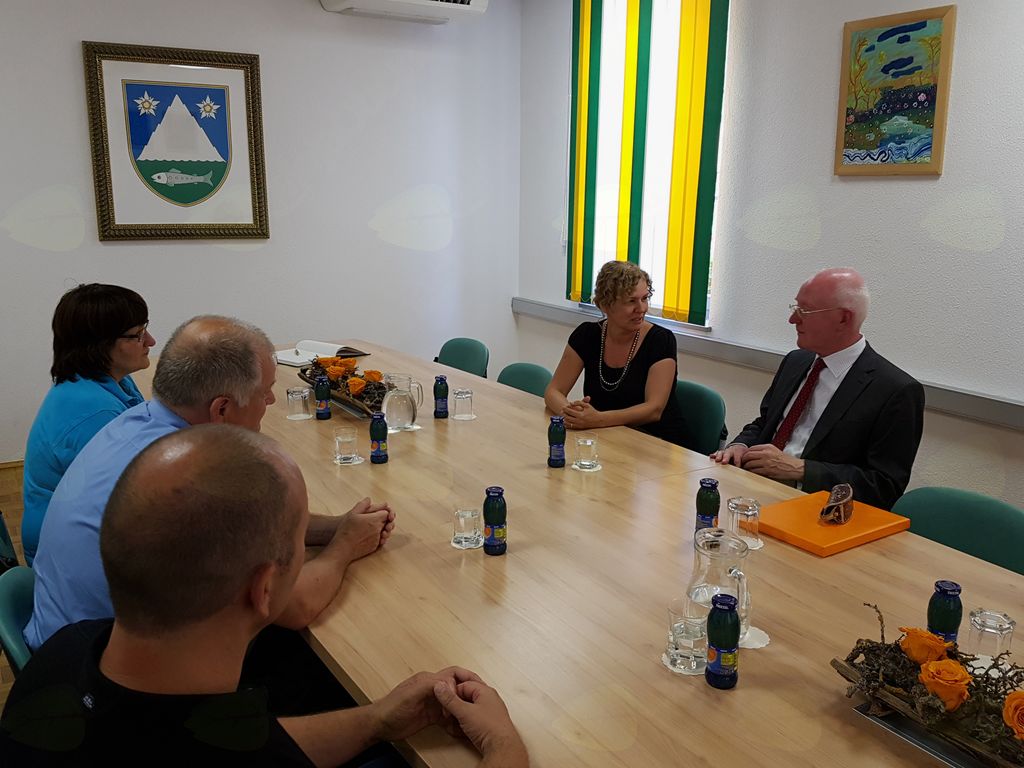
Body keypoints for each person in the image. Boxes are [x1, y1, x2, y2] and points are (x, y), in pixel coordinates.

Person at [0, 425, 529, 767]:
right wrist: (503, 744)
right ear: (265, 588)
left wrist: (375, 719)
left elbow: (239, 735)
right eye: (298, 545)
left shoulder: (67, 652)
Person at [24, 315, 394, 654]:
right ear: (222, 409)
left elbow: (258, 525)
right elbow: (295, 606)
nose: (270, 400)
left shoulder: (137, 422)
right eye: (265, 391)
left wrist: (336, 527)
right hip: (96, 674)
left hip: (61, 643)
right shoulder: (192, 480)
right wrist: (344, 548)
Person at [710, 268, 925, 510]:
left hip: (818, 508)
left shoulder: (895, 390)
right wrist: (740, 445)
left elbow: (884, 486)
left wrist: (801, 469)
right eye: (795, 308)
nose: (793, 319)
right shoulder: (796, 361)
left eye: (805, 311)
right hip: (756, 489)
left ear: (843, 318)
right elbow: (765, 423)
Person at [21, 283, 155, 564]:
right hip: (67, 553)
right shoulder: (93, 412)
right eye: (138, 335)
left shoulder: (107, 380)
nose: (151, 341)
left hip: (82, 529)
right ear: (100, 346)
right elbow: (137, 497)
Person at [544, 261, 685, 445]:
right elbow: (553, 391)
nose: (642, 308)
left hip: (656, 443)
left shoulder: (661, 340)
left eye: (644, 298)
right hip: (606, 438)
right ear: (605, 305)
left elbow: (654, 409)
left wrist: (597, 420)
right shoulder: (587, 335)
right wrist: (573, 415)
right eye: (631, 301)